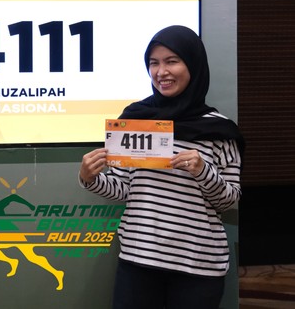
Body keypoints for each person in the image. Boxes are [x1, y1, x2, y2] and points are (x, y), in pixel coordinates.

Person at [79, 25, 244, 309]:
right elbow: (124, 189)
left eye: (172, 61)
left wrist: (202, 171)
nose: (161, 72)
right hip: (138, 261)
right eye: (153, 63)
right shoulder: (135, 119)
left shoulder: (219, 130)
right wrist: (90, 178)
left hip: (198, 266)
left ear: (193, 65)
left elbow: (229, 200)